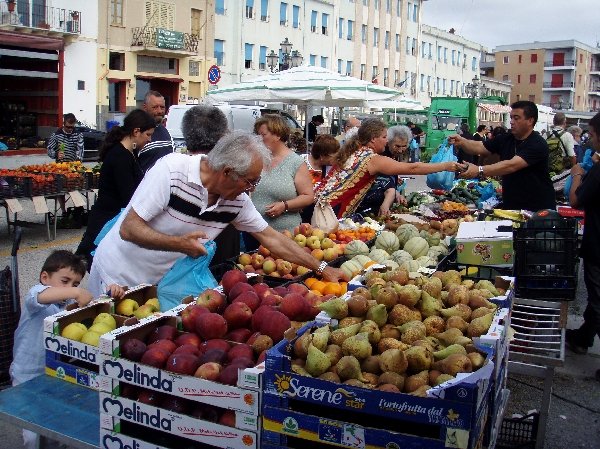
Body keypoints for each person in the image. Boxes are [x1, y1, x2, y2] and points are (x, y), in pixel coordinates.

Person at [88, 131, 346, 297]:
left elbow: (273, 239)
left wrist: (322, 267)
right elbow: (129, 228)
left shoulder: (236, 201)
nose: (252, 189)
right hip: (115, 277)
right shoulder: (172, 171)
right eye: (250, 181)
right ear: (226, 172)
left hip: (158, 286)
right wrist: (178, 244)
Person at [9, 250, 124, 449]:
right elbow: (42, 296)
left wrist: (112, 292)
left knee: (55, 426)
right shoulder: (36, 296)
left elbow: (95, 305)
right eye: (65, 281)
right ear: (45, 277)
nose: (71, 288)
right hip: (26, 374)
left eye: (76, 284)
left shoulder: (70, 303)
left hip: (54, 373)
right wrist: (76, 292)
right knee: (31, 434)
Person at [314, 118, 464, 218]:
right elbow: (412, 168)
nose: (387, 142)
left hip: (320, 204)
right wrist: (445, 166)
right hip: (329, 211)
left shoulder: (355, 150)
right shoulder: (372, 159)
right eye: (385, 137)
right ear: (373, 139)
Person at [75, 110, 156, 269]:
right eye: (148, 134)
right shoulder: (120, 156)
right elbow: (128, 195)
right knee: (84, 261)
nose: (150, 139)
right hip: (105, 219)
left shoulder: (130, 153)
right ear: (136, 132)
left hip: (112, 219)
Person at [450, 101, 555, 212]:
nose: (512, 122)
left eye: (516, 118)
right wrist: (462, 141)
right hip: (512, 205)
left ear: (530, 121)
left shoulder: (537, 143)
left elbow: (511, 165)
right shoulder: (506, 139)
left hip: (538, 208)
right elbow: (479, 147)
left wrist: (479, 170)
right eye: (511, 118)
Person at [243, 114, 314, 250]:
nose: (258, 139)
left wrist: (285, 205)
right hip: (253, 233)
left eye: (263, 135)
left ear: (278, 135)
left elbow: (308, 196)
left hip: (285, 233)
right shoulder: (256, 159)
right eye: (257, 135)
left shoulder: (295, 162)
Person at [566, 111, 600, 382]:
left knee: (598, 298)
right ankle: (583, 337)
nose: (590, 138)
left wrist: (577, 174)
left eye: (592, 133)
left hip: (598, 243)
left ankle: (585, 336)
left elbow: (576, 200)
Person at [181, 105, 236, 266]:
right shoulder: (228, 172)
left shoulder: (174, 168)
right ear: (222, 137)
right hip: (219, 252)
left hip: (177, 267)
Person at [47, 113, 85, 213]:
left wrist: (77, 162)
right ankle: (63, 211)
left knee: (75, 188)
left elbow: (80, 150)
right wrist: (56, 154)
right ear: (64, 124)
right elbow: (49, 149)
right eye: (68, 127)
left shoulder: (78, 134)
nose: (70, 129)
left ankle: (78, 209)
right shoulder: (56, 135)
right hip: (60, 166)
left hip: (74, 166)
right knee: (61, 189)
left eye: (72, 127)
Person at [137, 90, 174, 172]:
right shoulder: (137, 133)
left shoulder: (166, 132)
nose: (160, 111)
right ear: (145, 107)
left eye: (162, 107)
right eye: (155, 107)